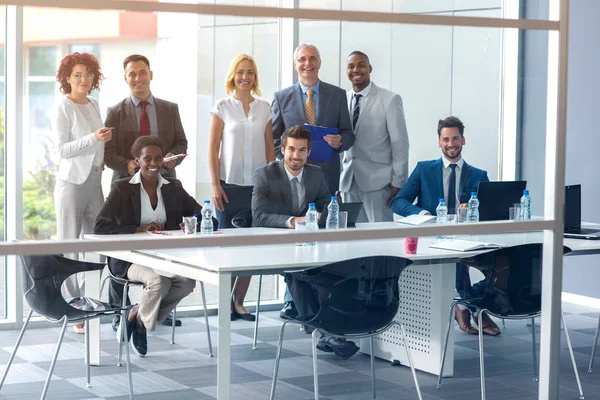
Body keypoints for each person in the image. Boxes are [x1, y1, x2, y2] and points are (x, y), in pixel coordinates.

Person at [94, 136, 216, 356]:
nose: (153, 163)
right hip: (129, 258)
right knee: (158, 282)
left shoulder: (173, 187)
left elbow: (201, 213)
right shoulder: (122, 188)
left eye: (158, 158)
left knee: (187, 282)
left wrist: (193, 222)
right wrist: (137, 229)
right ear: (137, 160)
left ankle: (137, 316)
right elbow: (101, 226)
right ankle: (142, 325)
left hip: (164, 256)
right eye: (147, 158)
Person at [252, 125, 359, 359]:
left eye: (302, 150)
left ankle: (333, 331)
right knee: (298, 272)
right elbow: (258, 216)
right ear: (283, 149)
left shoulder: (315, 173)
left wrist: (327, 212)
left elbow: (325, 204)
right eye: (291, 149)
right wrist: (294, 221)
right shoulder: (265, 174)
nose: (296, 156)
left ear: (309, 152)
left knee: (334, 270)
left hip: (310, 243)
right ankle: (328, 332)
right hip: (277, 242)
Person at [392, 116, 501, 336]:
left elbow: (489, 211)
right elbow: (399, 202)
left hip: (467, 237)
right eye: (446, 139)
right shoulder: (424, 170)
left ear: (463, 140)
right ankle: (475, 309)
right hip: (433, 237)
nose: (451, 144)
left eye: (455, 138)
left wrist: (472, 209)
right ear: (439, 142)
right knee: (457, 258)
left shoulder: (479, 175)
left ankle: (463, 305)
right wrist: (424, 214)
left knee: (501, 262)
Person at [104, 54, 188, 329]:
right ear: (125, 78)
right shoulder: (116, 111)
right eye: (132, 74)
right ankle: (119, 313)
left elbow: (180, 141)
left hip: (164, 183)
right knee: (123, 248)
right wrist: (129, 165)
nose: (138, 78)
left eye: (142, 73)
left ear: (151, 74)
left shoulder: (169, 108)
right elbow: (108, 153)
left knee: (163, 248)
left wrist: (171, 157)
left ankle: (153, 310)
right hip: (127, 188)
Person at [271, 43, 355, 318]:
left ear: (320, 62)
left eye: (312, 59)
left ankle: (322, 294)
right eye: (302, 60)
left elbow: (349, 134)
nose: (307, 64)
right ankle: (291, 300)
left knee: (323, 231)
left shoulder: (338, 94)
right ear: (296, 64)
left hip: (327, 176)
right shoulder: (281, 97)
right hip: (293, 175)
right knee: (294, 234)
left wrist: (341, 140)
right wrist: (284, 165)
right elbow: (275, 139)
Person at [208, 53, 276, 322]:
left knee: (249, 245)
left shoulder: (265, 108)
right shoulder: (222, 106)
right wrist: (214, 184)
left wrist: (273, 182)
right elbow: (213, 148)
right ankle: (225, 302)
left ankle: (239, 303)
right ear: (233, 76)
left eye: (249, 72)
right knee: (228, 246)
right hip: (228, 186)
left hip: (258, 187)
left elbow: (271, 147)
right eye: (240, 72)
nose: (245, 77)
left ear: (255, 76)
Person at [52, 52, 112, 334]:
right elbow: (61, 151)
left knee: (96, 244)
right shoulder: (63, 107)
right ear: (67, 78)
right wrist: (93, 138)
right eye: (78, 75)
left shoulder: (94, 103)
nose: (84, 80)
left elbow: (95, 146)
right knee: (69, 247)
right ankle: (72, 308)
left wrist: (101, 143)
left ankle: (89, 302)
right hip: (72, 184)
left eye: (88, 75)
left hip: (94, 182)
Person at [340, 51, 409, 222]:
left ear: (369, 68)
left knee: (380, 238)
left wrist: (398, 182)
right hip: (348, 183)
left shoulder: (390, 99)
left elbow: (400, 143)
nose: (356, 69)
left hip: (379, 184)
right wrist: (337, 184)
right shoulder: (342, 99)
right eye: (351, 66)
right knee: (351, 239)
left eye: (361, 65)